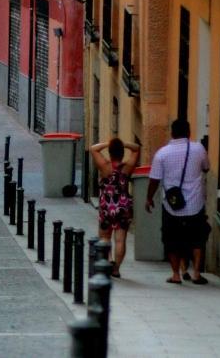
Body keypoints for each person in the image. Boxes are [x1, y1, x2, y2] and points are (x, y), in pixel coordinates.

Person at [146, 118, 210, 285]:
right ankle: (196, 272)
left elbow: (154, 179)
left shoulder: (162, 154)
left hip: (172, 205)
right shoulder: (199, 149)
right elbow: (206, 167)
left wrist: (149, 198)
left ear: (172, 133)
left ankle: (176, 274)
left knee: (171, 239)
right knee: (198, 238)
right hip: (195, 203)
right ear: (188, 132)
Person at [90, 138, 140, 277]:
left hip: (107, 205)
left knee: (105, 237)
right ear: (122, 153)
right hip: (123, 206)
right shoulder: (127, 168)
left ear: (110, 152)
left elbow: (93, 148)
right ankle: (116, 268)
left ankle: (109, 261)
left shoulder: (104, 166)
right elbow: (136, 148)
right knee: (120, 239)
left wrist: (108, 143)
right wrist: (124, 143)